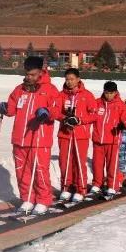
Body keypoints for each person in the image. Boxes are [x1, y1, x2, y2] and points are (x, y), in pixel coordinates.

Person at [0, 56, 60, 215]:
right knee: (22, 171)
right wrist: (5, 108)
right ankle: (27, 198)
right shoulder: (20, 89)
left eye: (33, 74)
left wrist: (47, 112)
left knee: (40, 171)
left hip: (39, 139)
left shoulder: (50, 90)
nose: (29, 77)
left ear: (41, 72)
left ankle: (43, 200)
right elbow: (12, 108)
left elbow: (57, 110)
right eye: (27, 74)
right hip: (20, 138)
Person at [56, 68, 97, 201]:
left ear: (78, 79)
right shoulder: (61, 95)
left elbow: (94, 115)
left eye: (72, 79)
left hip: (80, 135)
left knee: (79, 162)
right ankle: (66, 187)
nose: (69, 82)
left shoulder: (87, 95)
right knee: (64, 162)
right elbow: (55, 111)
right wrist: (64, 118)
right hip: (65, 134)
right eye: (67, 79)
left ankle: (81, 188)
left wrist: (80, 120)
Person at [90, 81, 126, 196]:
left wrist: (123, 124)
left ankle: (112, 185)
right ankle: (97, 183)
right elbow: (90, 113)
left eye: (111, 93)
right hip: (98, 139)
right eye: (106, 93)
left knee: (112, 165)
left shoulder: (120, 105)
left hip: (113, 140)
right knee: (97, 164)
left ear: (115, 92)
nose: (108, 95)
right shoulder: (98, 103)